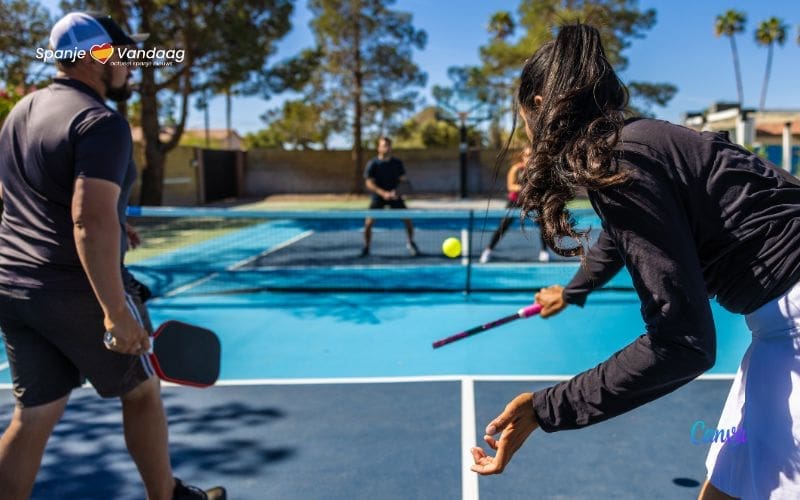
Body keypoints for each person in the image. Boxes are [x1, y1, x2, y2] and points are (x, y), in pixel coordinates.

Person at [470, 23, 800, 500]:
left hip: (791, 325)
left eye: (521, 115)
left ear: (539, 106)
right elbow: (619, 238)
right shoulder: (639, 143)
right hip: (779, 324)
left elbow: (683, 342)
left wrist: (548, 408)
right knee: (727, 483)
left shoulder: (625, 157)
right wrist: (573, 290)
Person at [0, 12, 225, 500]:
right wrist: (115, 311)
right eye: (123, 54)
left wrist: (115, 217)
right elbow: (88, 219)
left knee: (34, 414)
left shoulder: (23, 110)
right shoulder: (101, 122)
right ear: (96, 55)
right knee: (142, 392)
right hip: (74, 289)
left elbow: (21, 191)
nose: (131, 64)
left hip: (15, 287)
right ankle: (166, 496)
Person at [479, 148, 549, 263]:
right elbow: (511, 186)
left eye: (531, 155)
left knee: (543, 225)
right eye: (527, 155)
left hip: (531, 201)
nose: (529, 157)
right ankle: (488, 250)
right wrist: (526, 188)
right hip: (515, 201)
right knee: (503, 226)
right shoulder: (516, 169)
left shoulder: (537, 170)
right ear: (522, 157)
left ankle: (544, 251)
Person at [361, 136, 420, 257]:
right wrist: (383, 193)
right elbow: (369, 183)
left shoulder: (397, 163)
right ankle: (366, 247)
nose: (386, 148)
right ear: (378, 148)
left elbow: (403, 181)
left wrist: (396, 193)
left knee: (408, 220)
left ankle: (411, 243)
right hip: (378, 197)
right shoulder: (373, 164)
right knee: (368, 223)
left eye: (388, 145)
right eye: (383, 145)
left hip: (395, 197)